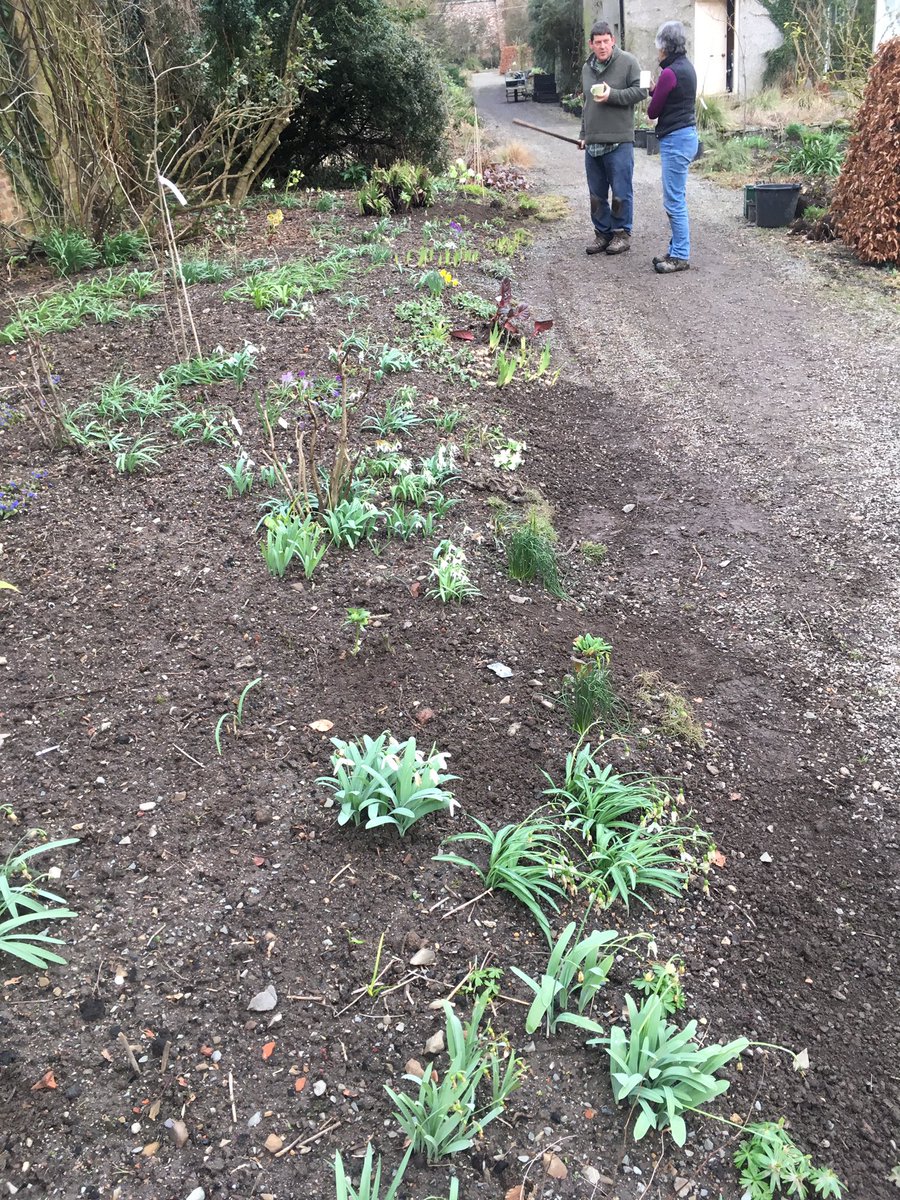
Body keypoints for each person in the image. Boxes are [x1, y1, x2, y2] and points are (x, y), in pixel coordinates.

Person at [577, 22, 648, 257]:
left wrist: (612, 95)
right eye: (597, 42)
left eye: (606, 41)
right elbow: (586, 104)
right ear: (591, 44)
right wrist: (583, 134)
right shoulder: (587, 68)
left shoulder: (628, 62)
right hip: (593, 142)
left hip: (619, 140)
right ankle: (602, 234)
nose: (602, 46)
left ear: (613, 41)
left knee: (620, 192)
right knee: (596, 194)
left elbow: (642, 91)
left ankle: (621, 234)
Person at [647, 21, 698, 273]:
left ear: (663, 46)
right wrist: (656, 90)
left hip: (675, 139)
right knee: (677, 197)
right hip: (687, 135)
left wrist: (654, 92)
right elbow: (674, 97)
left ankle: (680, 255)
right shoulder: (687, 67)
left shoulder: (669, 72)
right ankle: (676, 248)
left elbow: (653, 111)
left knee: (674, 201)